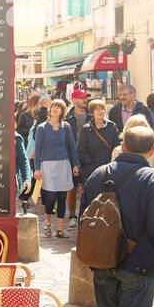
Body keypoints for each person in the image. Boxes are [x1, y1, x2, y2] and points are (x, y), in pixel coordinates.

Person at [80, 126, 154, 307]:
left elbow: (83, 219)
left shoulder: (99, 173)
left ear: (123, 146)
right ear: (152, 151)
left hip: (102, 261)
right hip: (140, 265)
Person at [31, 98, 79, 239]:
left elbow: (72, 146)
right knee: (50, 196)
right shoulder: (42, 128)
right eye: (53, 107)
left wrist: (75, 164)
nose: (55, 109)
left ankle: (59, 229)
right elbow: (38, 149)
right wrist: (37, 169)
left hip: (63, 164)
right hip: (47, 165)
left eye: (58, 107)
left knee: (62, 196)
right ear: (50, 110)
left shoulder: (66, 127)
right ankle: (47, 223)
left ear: (62, 111)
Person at [78, 98, 120, 193]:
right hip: (91, 170)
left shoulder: (112, 126)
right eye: (97, 109)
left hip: (109, 168)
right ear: (92, 112)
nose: (100, 111)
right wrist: (92, 164)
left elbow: (116, 147)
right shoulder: (86, 129)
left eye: (102, 109)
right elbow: (81, 150)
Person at [64, 86, 91, 228]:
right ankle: (72, 216)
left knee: (85, 188)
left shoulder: (91, 116)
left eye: (85, 97)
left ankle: (84, 215)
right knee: (72, 188)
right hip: (70, 157)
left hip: (87, 157)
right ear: (74, 100)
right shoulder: (67, 118)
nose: (84, 100)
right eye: (81, 98)